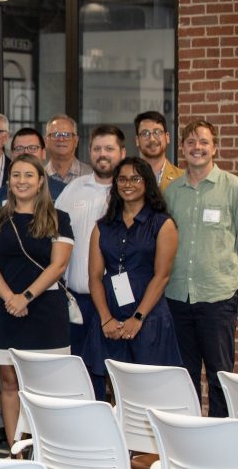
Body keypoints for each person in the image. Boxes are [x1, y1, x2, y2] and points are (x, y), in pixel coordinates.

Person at [0, 154, 74, 443]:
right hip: (3, 308)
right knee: (9, 383)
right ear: (9, 181)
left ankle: (47, 449)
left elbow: (58, 265)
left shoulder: (60, 218)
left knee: (46, 388)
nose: (22, 181)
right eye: (16, 175)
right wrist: (11, 298)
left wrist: (26, 297)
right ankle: (16, 450)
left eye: (28, 175)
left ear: (40, 181)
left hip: (46, 311)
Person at [82, 157, 181, 382]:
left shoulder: (162, 224)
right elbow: (94, 278)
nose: (128, 184)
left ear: (147, 183)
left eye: (135, 178)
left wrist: (138, 317)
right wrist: (105, 318)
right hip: (110, 313)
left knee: (149, 386)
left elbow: (162, 276)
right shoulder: (102, 226)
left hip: (149, 313)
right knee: (116, 385)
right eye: (122, 179)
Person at [164, 120, 238, 417]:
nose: (198, 147)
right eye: (191, 142)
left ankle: (220, 446)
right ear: (182, 148)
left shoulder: (232, 187)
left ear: (214, 147)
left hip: (217, 297)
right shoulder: (171, 192)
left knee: (220, 376)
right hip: (178, 297)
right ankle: (189, 445)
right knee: (184, 377)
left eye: (204, 142)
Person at [54, 125, 127, 397]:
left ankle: (121, 433)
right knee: (82, 370)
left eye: (109, 149)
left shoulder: (130, 191)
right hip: (79, 299)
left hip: (118, 300)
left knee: (119, 370)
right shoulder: (74, 189)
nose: (102, 154)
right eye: (97, 149)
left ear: (122, 152)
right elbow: (54, 235)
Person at [0, 128, 67, 214]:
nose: (26, 153)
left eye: (33, 148)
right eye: (19, 149)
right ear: (12, 155)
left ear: (44, 153)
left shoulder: (64, 193)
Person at [134, 111, 184, 192]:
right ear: (137, 140)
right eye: (145, 133)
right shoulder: (127, 179)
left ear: (167, 137)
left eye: (157, 132)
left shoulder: (182, 178)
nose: (152, 139)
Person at [45, 114, 93, 184]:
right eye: (56, 135)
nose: (61, 139)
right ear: (46, 141)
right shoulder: (39, 176)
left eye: (67, 135)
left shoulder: (91, 175)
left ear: (76, 141)